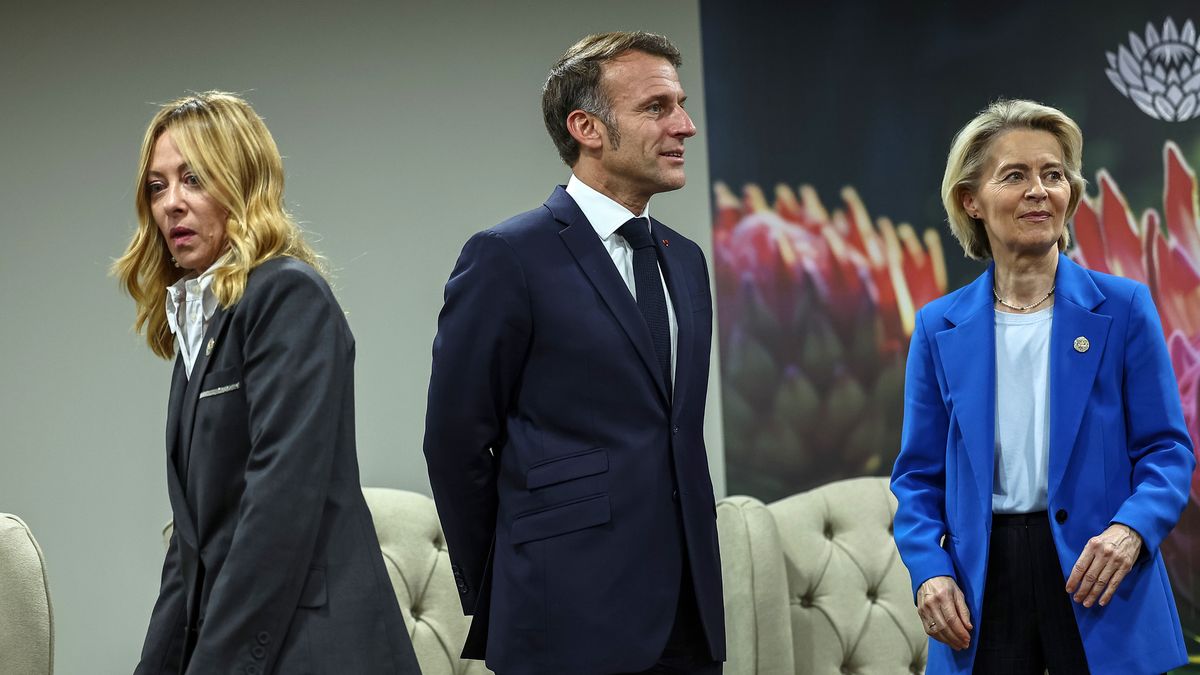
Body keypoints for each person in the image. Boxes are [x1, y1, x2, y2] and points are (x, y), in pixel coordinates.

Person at [422, 32, 725, 675]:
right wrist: (511, 579)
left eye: (681, 103)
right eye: (657, 107)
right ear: (587, 127)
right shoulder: (506, 257)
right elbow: (455, 444)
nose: (685, 125)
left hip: (687, 618)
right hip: (562, 618)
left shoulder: (686, 261)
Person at [114, 92, 421, 675]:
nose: (172, 204)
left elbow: (277, 506)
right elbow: (192, 550)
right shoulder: (198, 327)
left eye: (193, 179)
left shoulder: (287, 294)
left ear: (242, 183)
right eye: (157, 186)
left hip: (315, 648)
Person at [890, 98, 1196, 674]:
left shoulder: (1125, 308)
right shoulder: (939, 325)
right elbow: (916, 477)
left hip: (1100, 573)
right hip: (984, 585)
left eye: (1053, 175)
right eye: (1015, 176)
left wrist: (1131, 530)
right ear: (970, 201)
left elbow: (1167, 451)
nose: (1039, 190)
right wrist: (929, 570)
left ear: (1070, 196)